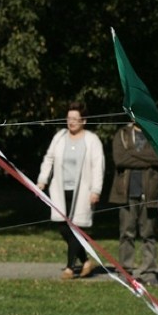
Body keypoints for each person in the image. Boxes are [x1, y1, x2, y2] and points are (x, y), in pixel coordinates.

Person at [36, 102, 104, 279]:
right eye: (69, 118)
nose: (71, 122)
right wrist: (42, 180)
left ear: (84, 121)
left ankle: (69, 268)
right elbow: (49, 159)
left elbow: (99, 166)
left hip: (82, 192)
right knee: (63, 228)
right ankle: (86, 261)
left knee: (77, 228)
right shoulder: (59, 137)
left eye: (75, 119)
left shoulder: (92, 140)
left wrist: (96, 190)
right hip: (60, 190)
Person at [107, 123, 158, 287]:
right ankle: (125, 270)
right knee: (126, 233)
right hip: (126, 192)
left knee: (149, 234)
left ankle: (149, 272)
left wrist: (132, 155)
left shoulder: (155, 135)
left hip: (151, 192)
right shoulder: (122, 134)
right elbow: (120, 159)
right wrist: (147, 159)